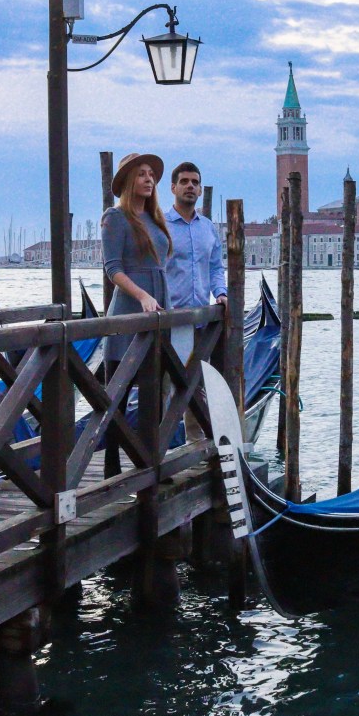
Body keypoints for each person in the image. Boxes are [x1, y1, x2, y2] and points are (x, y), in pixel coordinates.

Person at [101, 152, 172, 475]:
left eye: (151, 175)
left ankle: (149, 463)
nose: (149, 179)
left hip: (159, 309)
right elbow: (112, 268)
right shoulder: (116, 218)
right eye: (141, 174)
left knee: (154, 391)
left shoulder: (156, 220)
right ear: (130, 181)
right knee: (119, 392)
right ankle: (111, 466)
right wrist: (143, 295)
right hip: (129, 311)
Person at [165, 161, 227, 439]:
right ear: (173, 187)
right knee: (165, 385)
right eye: (185, 181)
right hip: (168, 319)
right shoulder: (160, 226)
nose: (190, 186)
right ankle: (156, 451)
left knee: (195, 384)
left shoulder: (208, 228)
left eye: (195, 182)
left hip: (201, 320)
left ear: (201, 190)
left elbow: (215, 267)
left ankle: (196, 444)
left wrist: (221, 294)